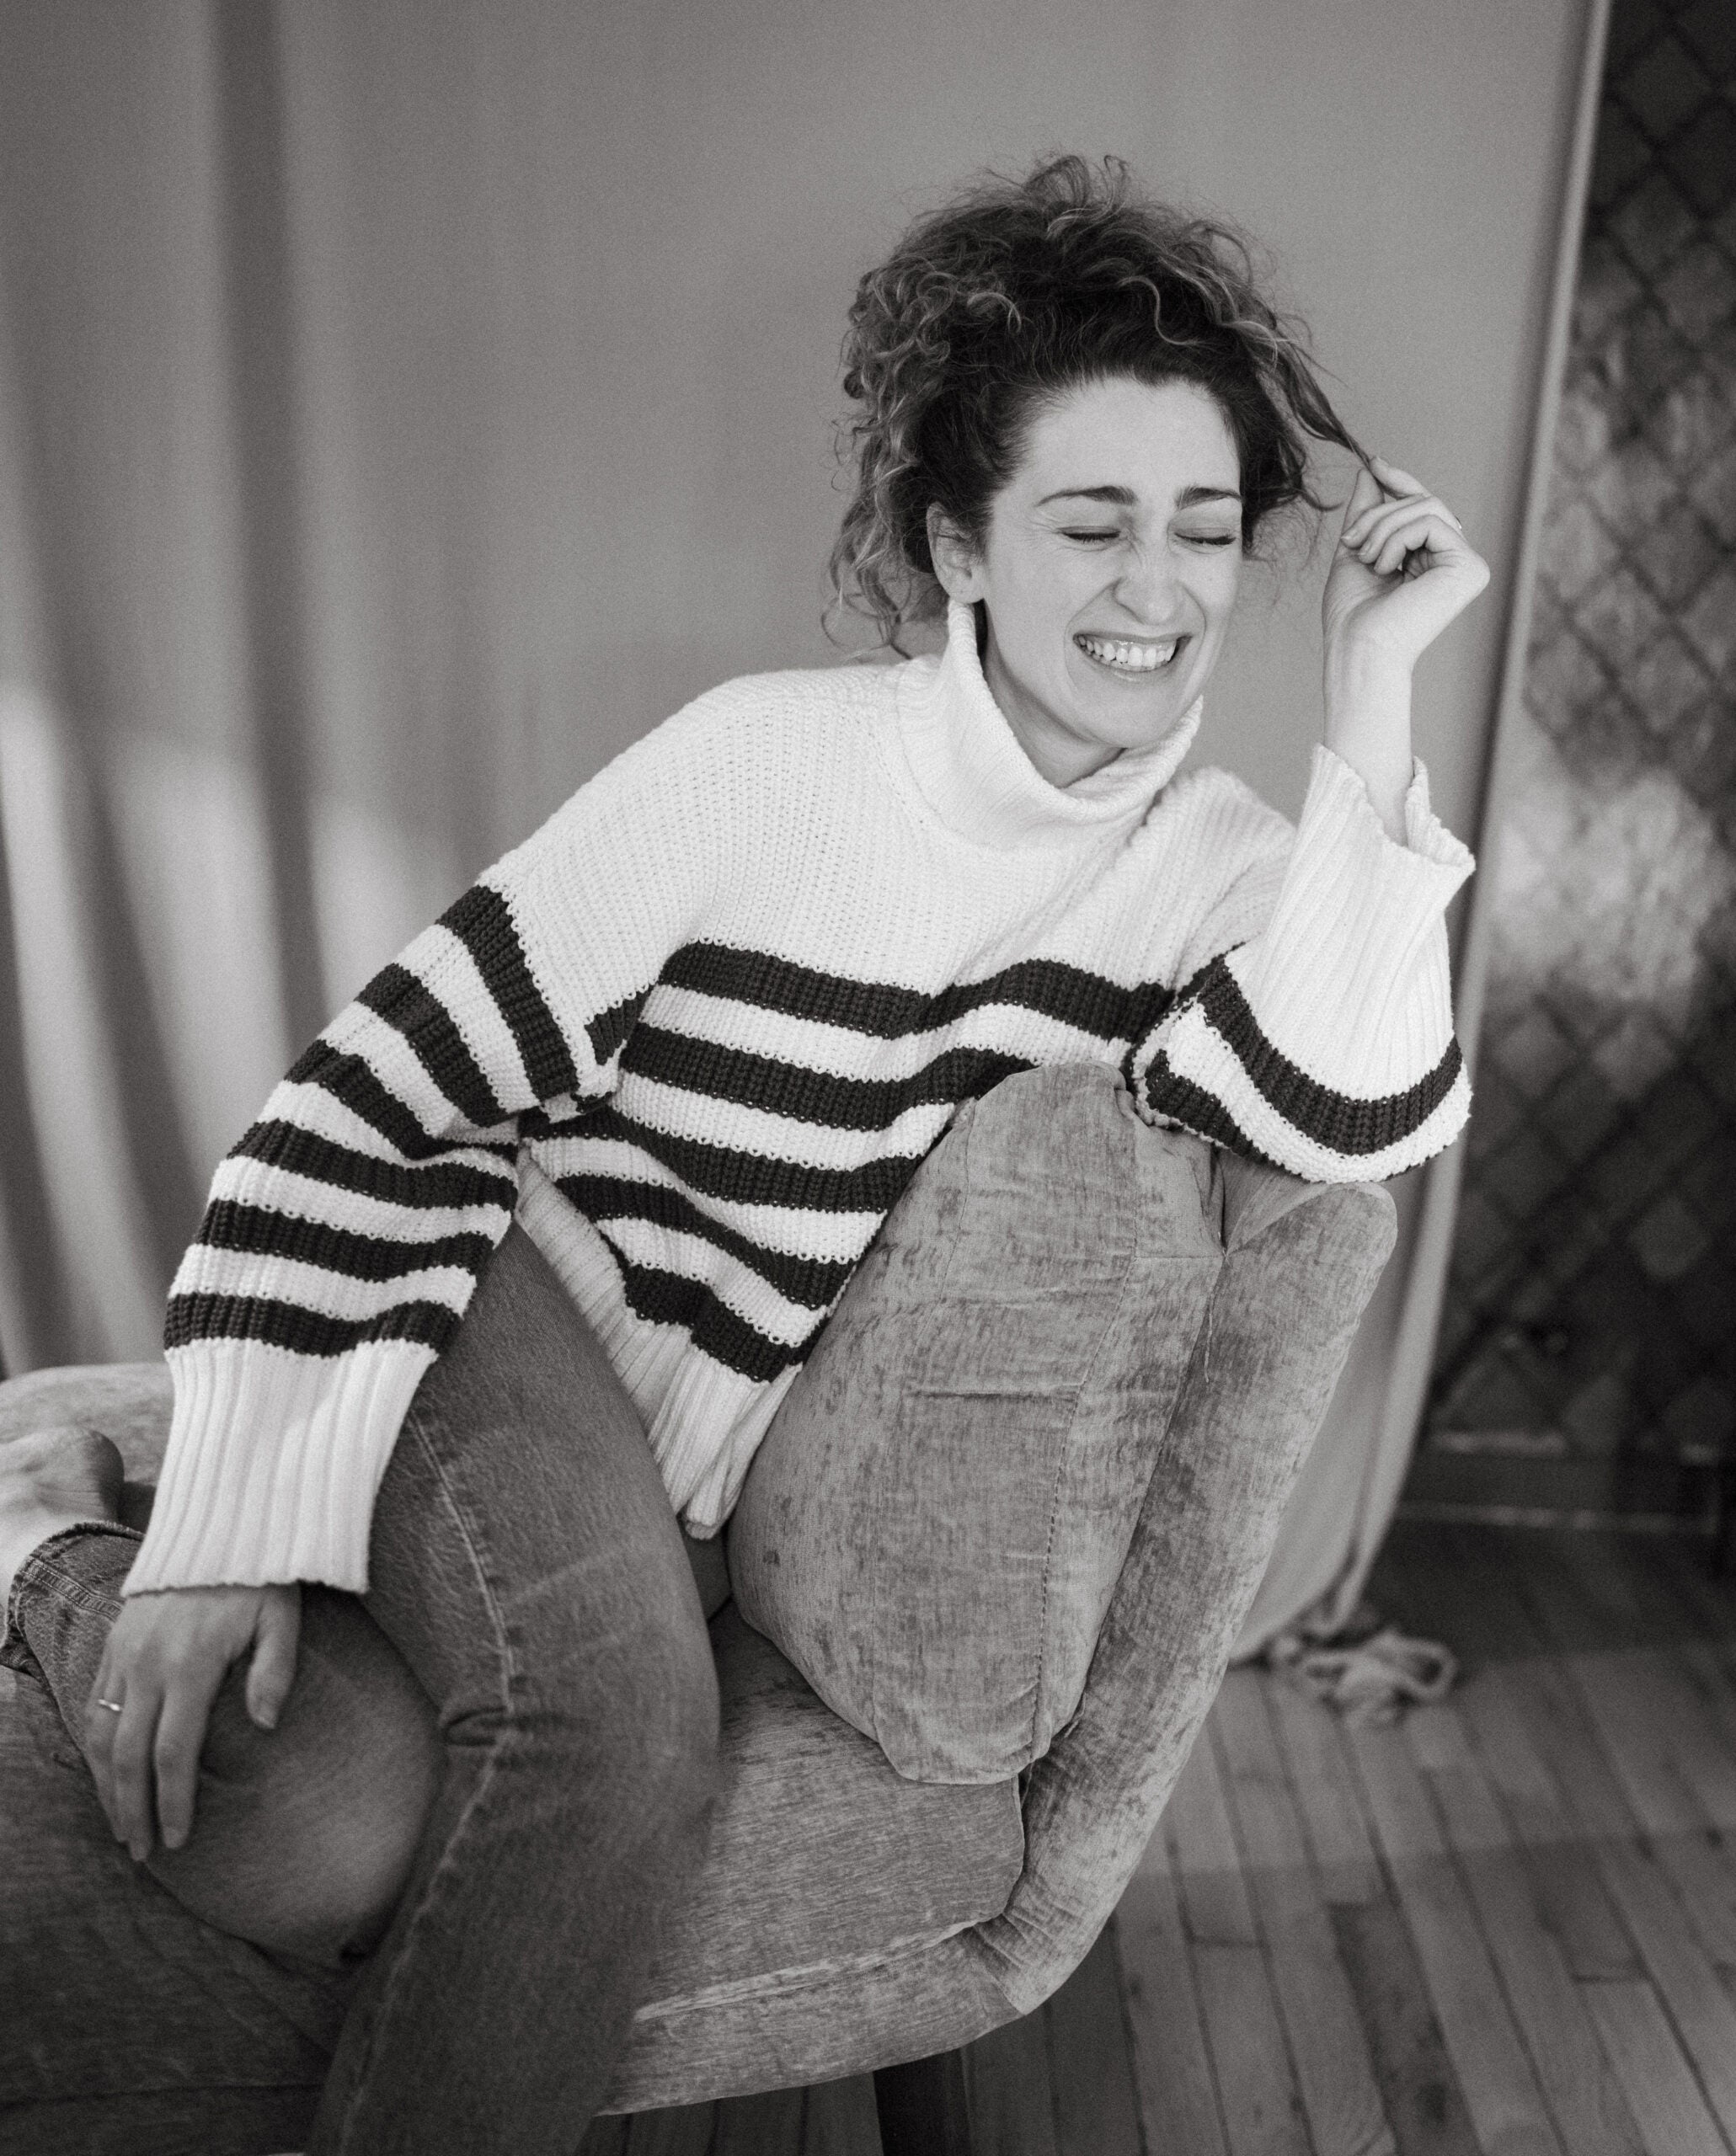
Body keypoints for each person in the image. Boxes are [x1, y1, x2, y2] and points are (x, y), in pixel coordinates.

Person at [0, 153, 1485, 2151]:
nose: (1156, 585)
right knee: (609, 1726)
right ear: (959, 542)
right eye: (1090, 519)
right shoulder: (765, 763)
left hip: (668, 1461)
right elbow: (375, 1091)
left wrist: (1376, 697)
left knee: (305, 1820)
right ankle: (153, 1517)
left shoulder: (1209, 871)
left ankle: (42, 1524)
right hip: (496, 1293)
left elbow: (1349, 1112)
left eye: (1205, 530)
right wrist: (224, 1537)